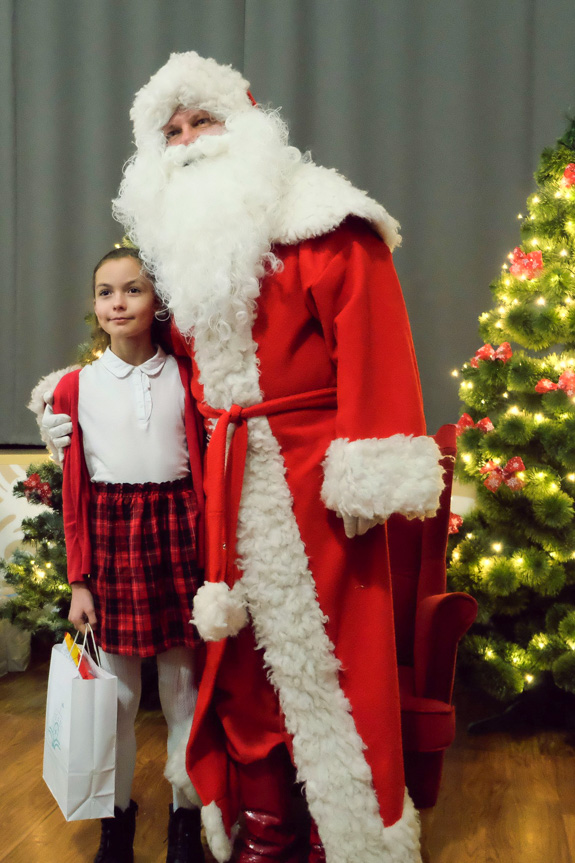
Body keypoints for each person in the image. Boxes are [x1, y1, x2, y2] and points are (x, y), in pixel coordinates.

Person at [41, 52, 445, 863]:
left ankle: (352, 832)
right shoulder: (185, 254)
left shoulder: (326, 226)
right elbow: (164, 366)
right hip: (219, 485)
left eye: (204, 122)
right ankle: (264, 822)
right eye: (173, 130)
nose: (188, 142)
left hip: (316, 479)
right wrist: (68, 399)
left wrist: (364, 467)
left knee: (335, 655)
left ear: (250, 124)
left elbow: (374, 347)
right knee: (238, 662)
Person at [47, 247, 206, 863]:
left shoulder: (189, 377)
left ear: (156, 300)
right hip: (113, 540)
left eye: (132, 290)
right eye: (105, 292)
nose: (118, 302)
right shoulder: (76, 386)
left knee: (182, 689)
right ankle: (116, 818)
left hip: (178, 536)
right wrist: (79, 580)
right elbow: (75, 492)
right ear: (95, 305)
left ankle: (185, 817)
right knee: (115, 696)